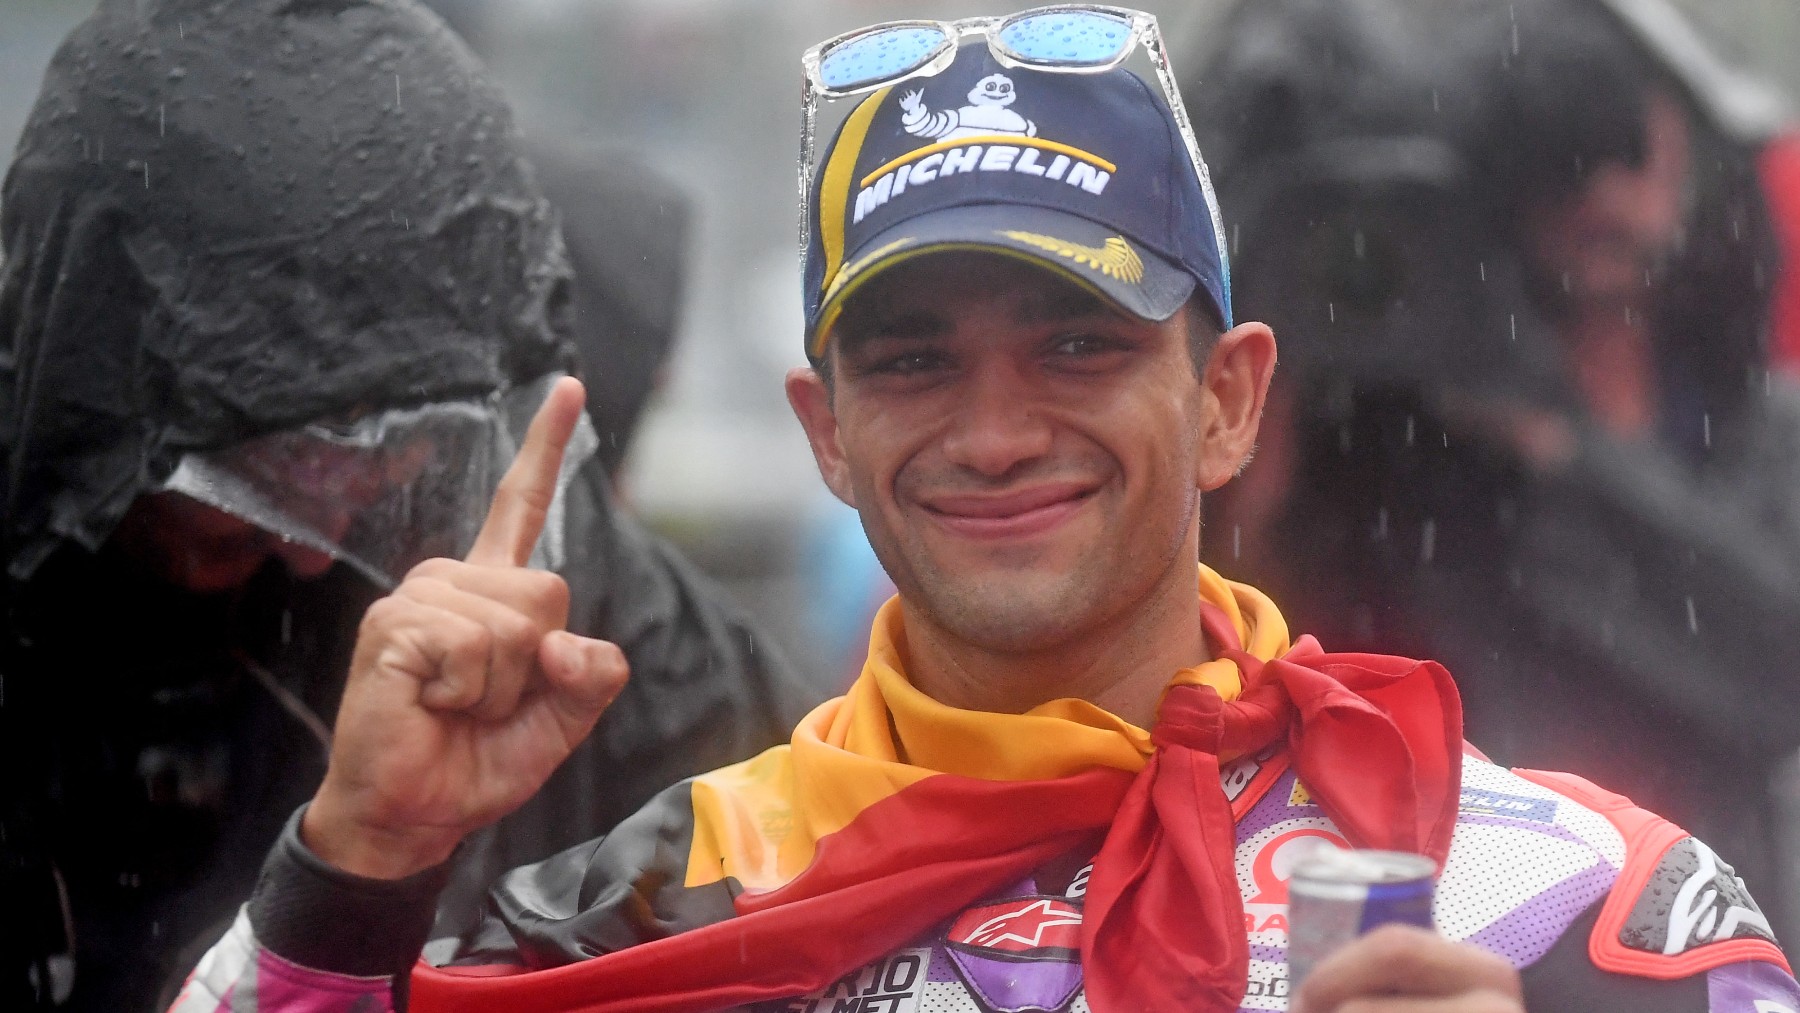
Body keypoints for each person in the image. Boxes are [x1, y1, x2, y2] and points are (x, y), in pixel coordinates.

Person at [171, 8, 1799, 1012]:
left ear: (1228, 393)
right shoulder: (639, 913)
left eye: (1080, 342)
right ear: (825, 427)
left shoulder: (1563, 894)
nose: (998, 430)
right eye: (914, 358)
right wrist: (357, 863)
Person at [0, 0, 818, 1007]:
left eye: (397, 466)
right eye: (252, 494)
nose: (316, 548)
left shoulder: (575, 616)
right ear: (99, 404)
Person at [1187, 0, 1800, 938]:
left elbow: (1771, 667)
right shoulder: (1404, 458)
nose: (1609, 205)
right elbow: (1241, 673)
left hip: (1692, 944)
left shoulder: (1756, 429)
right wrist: (1272, 404)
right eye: (1560, 171)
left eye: (1633, 156)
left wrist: (1557, 453)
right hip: (1421, 941)